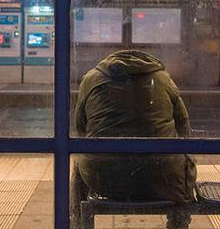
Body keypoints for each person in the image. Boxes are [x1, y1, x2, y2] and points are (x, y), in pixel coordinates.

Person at [72, 50, 195, 229]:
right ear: (149, 62)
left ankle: (78, 224)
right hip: (161, 176)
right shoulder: (162, 79)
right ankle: (178, 223)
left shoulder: (91, 79)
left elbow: (81, 128)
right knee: (183, 166)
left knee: (79, 166)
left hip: (104, 178)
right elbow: (184, 128)